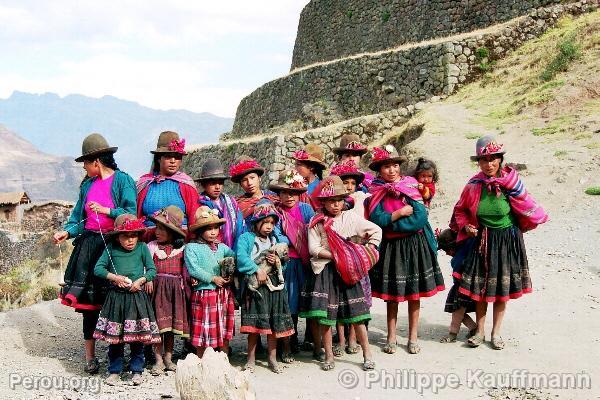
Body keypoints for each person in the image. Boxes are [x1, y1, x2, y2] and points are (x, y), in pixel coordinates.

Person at [451, 135, 548, 349]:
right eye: (484, 160)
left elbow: (526, 203)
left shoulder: (511, 183)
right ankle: (480, 331)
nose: (489, 164)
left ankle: (496, 333)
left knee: (501, 289)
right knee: (481, 289)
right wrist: (466, 225)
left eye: (493, 159)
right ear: (478, 162)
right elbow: (460, 210)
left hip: (507, 240)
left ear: (500, 160)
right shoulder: (473, 185)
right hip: (482, 240)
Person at [53, 133, 137, 374]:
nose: (84, 168)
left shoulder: (123, 181)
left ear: (97, 161)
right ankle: (90, 357)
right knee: (90, 306)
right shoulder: (87, 185)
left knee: (119, 300)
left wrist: (107, 210)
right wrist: (66, 233)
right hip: (89, 247)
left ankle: (121, 355)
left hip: (115, 246)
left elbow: (130, 214)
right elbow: (80, 219)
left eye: (86, 163)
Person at [366, 145, 444, 355]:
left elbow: (420, 217)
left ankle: (412, 336)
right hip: (391, 246)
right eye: (386, 167)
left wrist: (392, 225)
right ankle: (391, 336)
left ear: (399, 167)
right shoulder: (375, 191)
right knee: (392, 295)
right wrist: (399, 214)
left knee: (414, 293)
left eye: (394, 166)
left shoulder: (411, 185)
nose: (391, 171)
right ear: (379, 170)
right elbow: (376, 219)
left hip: (414, 245)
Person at [300, 176, 382, 371]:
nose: (335, 205)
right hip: (326, 272)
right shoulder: (317, 221)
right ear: (324, 202)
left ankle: (367, 354)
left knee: (357, 314)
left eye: (338, 200)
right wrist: (338, 255)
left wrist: (367, 250)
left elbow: (376, 231)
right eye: (330, 201)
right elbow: (314, 248)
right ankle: (329, 355)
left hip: (348, 272)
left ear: (344, 200)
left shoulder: (351, 217)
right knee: (327, 317)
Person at [93, 214, 160, 386]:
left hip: (137, 298)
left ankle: (137, 369)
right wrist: (114, 277)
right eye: (125, 236)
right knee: (116, 338)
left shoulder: (142, 248)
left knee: (136, 337)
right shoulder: (111, 249)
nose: (130, 240)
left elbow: (152, 270)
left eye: (134, 236)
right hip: (116, 298)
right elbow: (98, 269)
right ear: (117, 237)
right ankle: (115, 370)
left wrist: (142, 280)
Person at [235, 199, 295, 374]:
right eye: (265, 222)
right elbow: (241, 258)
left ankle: (272, 358)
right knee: (255, 324)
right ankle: (251, 359)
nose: (269, 226)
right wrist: (256, 269)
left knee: (273, 324)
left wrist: (277, 261)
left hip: (273, 286)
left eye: (272, 223)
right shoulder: (247, 238)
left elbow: (283, 264)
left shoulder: (274, 239)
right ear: (256, 222)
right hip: (255, 286)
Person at [268, 169, 315, 352]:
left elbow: (314, 231)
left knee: (310, 300)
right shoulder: (277, 213)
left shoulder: (306, 209)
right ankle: (290, 337)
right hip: (288, 264)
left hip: (307, 262)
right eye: (285, 193)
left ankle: (310, 338)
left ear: (299, 194)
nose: (289, 197)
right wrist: (296, 237)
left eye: (293, 193)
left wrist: (297, 237)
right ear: (278, 194)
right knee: (290, 300)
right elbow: (279, 238)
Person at [329, 160, 372, 355]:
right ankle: (341, 339)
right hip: (337, 259)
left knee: (357, 301)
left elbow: (369, 225)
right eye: (344, 182)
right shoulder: (332, 206)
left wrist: (368, 248)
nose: (348, 186)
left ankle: (353, 339)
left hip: (356, 255)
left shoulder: (361, 199)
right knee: (337, 302)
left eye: (352, 183)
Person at [185, 206, 237, 358]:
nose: (213, 232)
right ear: (200, 231)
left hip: (223, 294)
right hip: (205, 293)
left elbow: (234, 258)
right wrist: (213, 278)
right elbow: (194, 269)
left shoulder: (223, 248)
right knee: (204, 331)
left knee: (223, 328)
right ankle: (203, 362)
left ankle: (223, 362)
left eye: (216, 228)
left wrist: (230, 274)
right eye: (209, 229)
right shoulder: (191, 248)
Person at [145, 206, 190, 375]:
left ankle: (168, 358)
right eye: (157, 227)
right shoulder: (151, 247)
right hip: (156, 290)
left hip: (175, 292)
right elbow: (146, 266)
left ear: (173, 232)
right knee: (158, 325)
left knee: (170, 327)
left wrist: (187, 282)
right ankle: (157, 359)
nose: (158, 232)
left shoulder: (182, 249)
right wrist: (148, 278)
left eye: (163, 229)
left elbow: (186, 270)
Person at [137, 131, 199, 240]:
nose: (173, 161)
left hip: (179, 242)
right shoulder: (145, 183)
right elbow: (136, 215)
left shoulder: (186, 184)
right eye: (168, 157)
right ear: (158, 159)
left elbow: (194, 216)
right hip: (149, 241)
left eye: (177, 157)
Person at [436, 228, 477, 343]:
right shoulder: (465, 251)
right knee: (458, 311)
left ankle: (453, 333)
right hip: (463, 286)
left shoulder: (463, 253)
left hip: (462, 286)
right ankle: (474, 328)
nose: (447, 253)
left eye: (447, 250)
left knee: (457, 310)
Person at [195, 158, 245, 248]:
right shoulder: (199, 204)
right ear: (203, 185)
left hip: (235, 246)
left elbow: (241, 224)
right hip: (211, 249)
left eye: (220, 183)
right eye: (213, 183)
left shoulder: (231, 201)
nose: (217, 187)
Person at [229, 156, 278, 225]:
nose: (249, 183)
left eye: (252, 178)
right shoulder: (237, 205)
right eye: (244, 180)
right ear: (240, 184)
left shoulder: (274, 197)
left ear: (259, 178)